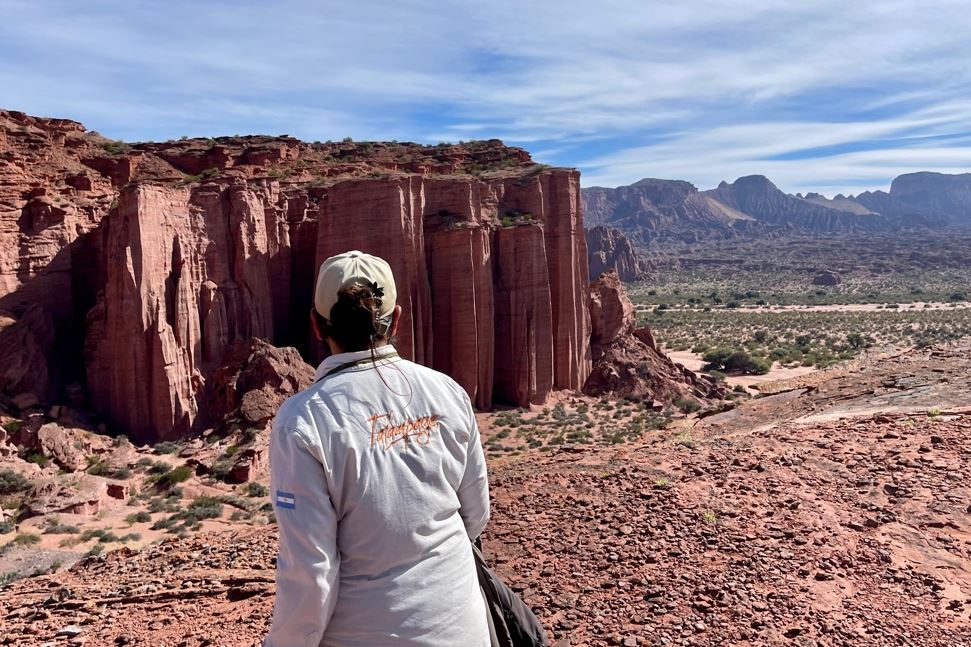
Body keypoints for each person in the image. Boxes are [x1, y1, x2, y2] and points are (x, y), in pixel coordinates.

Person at [264, 250, 491, 647]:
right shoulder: (447, 391)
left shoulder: (302, 422)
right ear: (397, 319)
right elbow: (475, 515)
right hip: (464, 628)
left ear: (316, 326)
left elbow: (311, 573)